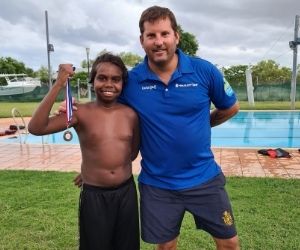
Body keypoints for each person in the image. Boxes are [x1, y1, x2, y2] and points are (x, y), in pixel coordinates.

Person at [65, 5, 240, 250]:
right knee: (165, 247)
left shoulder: (205, 71)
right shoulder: (132, 81)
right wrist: (98, 165)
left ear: (176, 36)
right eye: (151, 35)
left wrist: (203, 124)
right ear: (142, 40)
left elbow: (231, 107)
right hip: (158, 184)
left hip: (204, 177)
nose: (158, 42)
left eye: (164, 34)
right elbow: (107, 108)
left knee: (229, 243)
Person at [28, 53, 140, 250]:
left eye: (116, 79)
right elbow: (36, 127)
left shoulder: (130, 115)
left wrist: (98, 166)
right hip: (95, 196)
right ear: (92, 80)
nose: (109, 84)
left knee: (127, 245)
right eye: (102, 78)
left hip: (126, 193)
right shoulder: (81, 113)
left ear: (123, 83)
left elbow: (131, 153)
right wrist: (58, 84)